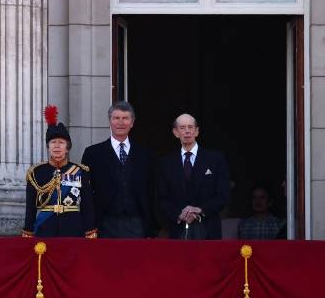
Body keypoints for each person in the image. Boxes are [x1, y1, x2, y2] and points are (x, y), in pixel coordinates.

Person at [79, 101, 154, 239]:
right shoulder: (92, 153)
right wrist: (89, 226)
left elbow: (152, 190)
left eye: (125, 118)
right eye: (116, 118)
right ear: (110, 121)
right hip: (104, 224)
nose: (120, 122)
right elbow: (86, 193)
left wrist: (151, 227)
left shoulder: (145, 154)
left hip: (137, 224)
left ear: (132, 122)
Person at [23, 106, 97, 238]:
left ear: (67, 148)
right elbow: (30, 208)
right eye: (53, 142)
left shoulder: (81, 171)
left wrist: (90, 231)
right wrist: (28, 231)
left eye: (61, 142)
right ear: (48, 146)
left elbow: (87, 206)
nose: (57, 146)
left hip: (73, 229)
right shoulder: (36, 173)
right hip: (45, 228)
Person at [156, 113, 231, 240]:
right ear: (175, 132)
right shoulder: (166, 163)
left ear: (196, 131)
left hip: (208, 228)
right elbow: (162, 198)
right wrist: (179, 214)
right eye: (182, 128)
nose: (187, 131)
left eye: (190, 127)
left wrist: (199, 209)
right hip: (178, 229)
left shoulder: (215, 159)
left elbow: (223, 194)